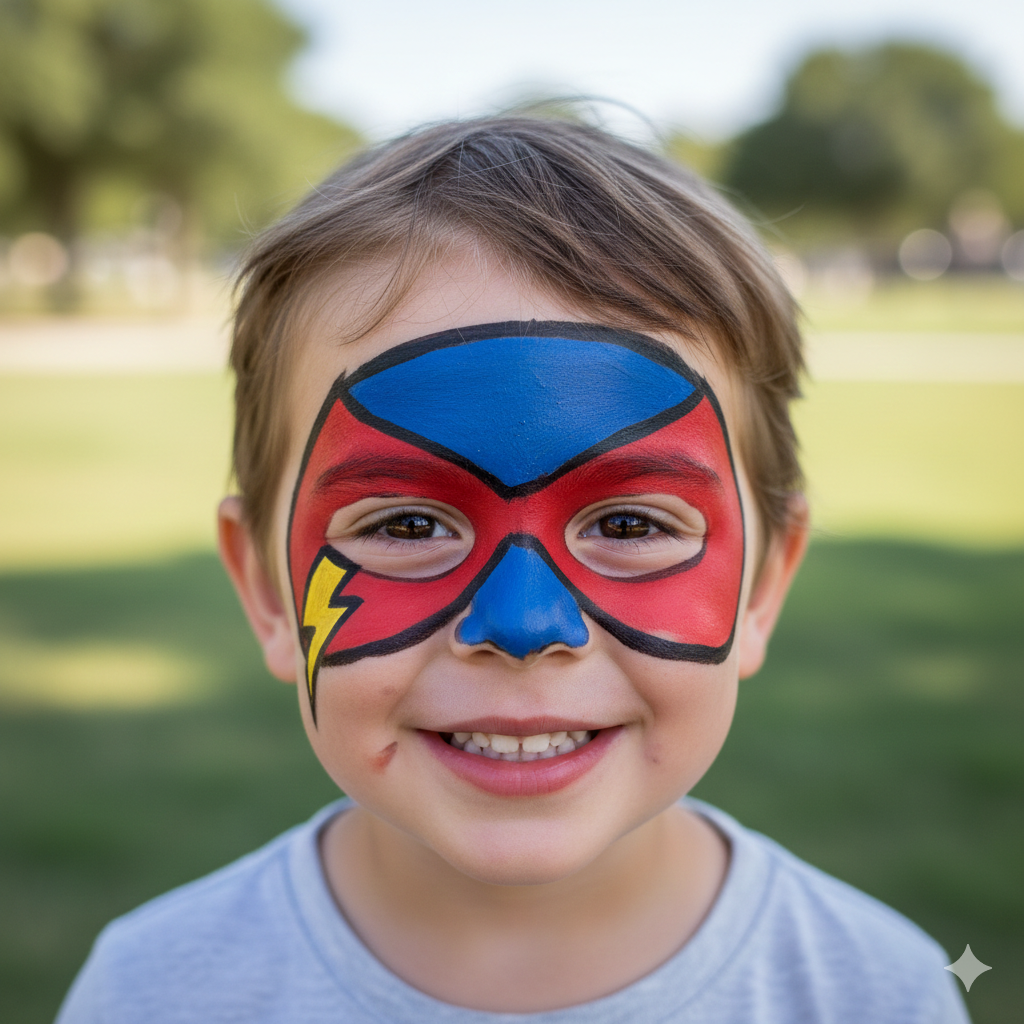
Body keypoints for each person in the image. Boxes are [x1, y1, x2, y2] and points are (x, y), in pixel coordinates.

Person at [56, 115, 970, 1023]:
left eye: (629, 521)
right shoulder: (152, 992)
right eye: (408, 522)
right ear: (267, 591)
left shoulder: (875, 992)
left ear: (764, 587)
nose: (526, 624)